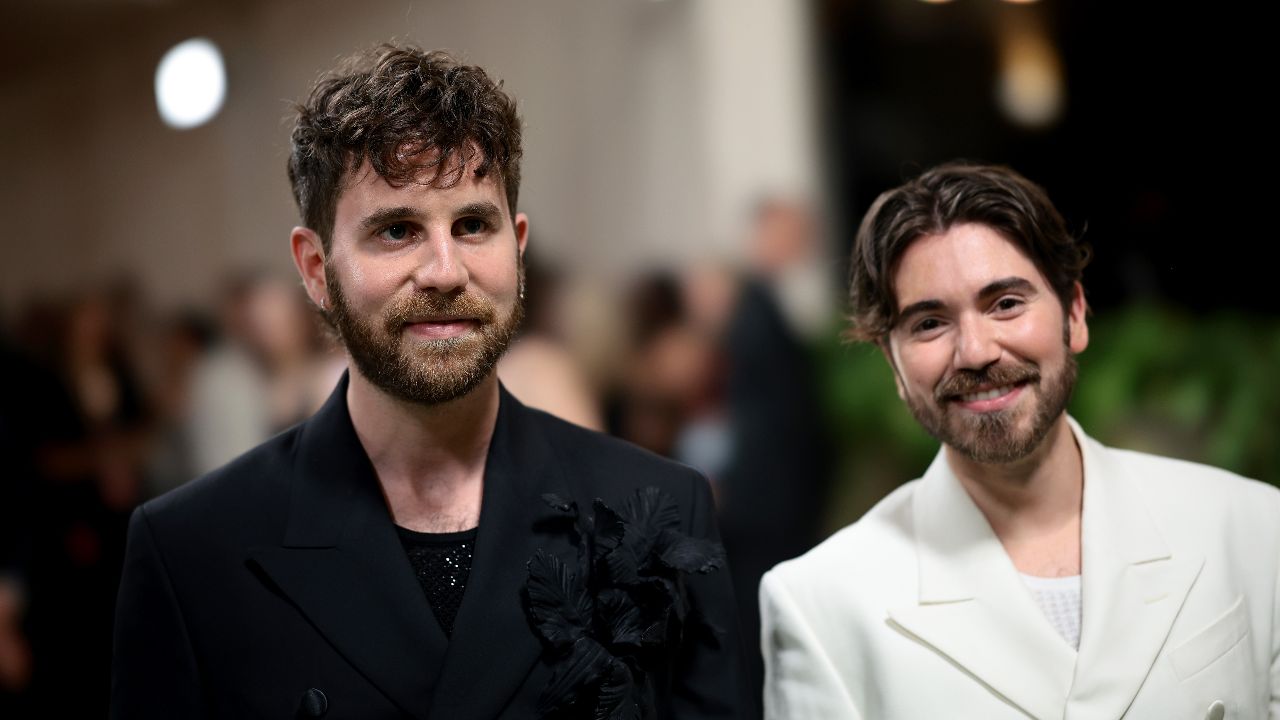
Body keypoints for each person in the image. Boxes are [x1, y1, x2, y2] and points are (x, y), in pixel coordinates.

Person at [112, 45, 751, 719]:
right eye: (397, 231)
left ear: (519, 247)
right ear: (315, 268)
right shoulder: (194, 550)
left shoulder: (658, 510)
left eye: (474, 225)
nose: (445, 271)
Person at [760, 162, 1280, 719]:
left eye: (1005, 303)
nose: (977, 351)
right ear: (892, 364)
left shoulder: (1250, 526)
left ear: (1075, 315)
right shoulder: (821, 604)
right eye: (930, 323)